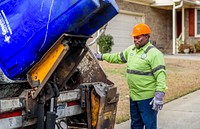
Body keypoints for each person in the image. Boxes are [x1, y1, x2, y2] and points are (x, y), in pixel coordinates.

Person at [95, 23, 166, 129]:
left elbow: (161, 75)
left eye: (138, 37)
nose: (135, 40)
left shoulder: (154, 54)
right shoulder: (131, 50)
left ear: (146, 37)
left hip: (147, 98)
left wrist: (159, 95)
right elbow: (117, 57)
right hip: (134, 96)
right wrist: (102, 56)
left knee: (149, 125)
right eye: (134, 37)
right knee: (135, 124)